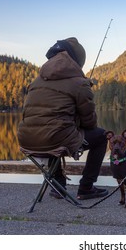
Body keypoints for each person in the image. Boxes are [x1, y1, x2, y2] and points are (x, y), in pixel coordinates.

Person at [17, 37, 108, 200]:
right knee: (101, 136)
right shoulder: (79, 83)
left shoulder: (36, 82)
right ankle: (86, 187)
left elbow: (31, 114)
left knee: (51, 133)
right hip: (55, 140)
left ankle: (58, 186)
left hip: (26, 141)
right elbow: (89, 122)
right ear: (77, 61)